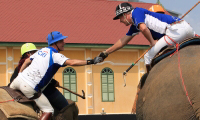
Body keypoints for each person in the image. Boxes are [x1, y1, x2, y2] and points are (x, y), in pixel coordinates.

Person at [9, 31, 102, 120]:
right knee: (48, 110)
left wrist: (20, 74)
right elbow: (72, 62)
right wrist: (92, 61)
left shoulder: (42, 50)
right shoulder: (56, 56)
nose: (64, 43)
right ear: (55, 43)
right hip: (29, 87)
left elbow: (26, 61)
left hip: (17, 81)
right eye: (61, 41)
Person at [97, 2, 195, 73]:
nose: (120, 21)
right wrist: (106, 52)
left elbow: (143, 29)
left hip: (175, 32)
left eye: (120, 18)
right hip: (188, 28)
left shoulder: (136, 12)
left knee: (148, 56)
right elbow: (123, 41)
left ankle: (150, 83)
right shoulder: (135, 25)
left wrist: (152, 42)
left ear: (125, 14)